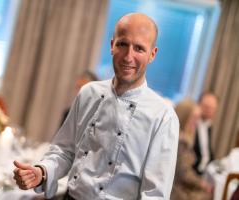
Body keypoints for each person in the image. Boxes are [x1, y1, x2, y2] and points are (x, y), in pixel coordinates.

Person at [13, 13, 179, 199]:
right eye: (122, 44)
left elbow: (154, 194)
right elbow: (64, 151)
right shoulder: (88, 93)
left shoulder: (163, 116)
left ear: (152, 55)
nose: (128, 56)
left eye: (139, 48)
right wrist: (42, 172)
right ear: (111, 46)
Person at [171, 99, 212, 200]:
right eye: (194, 118)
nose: (196, 122)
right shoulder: (181, 142)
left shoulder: (178, 136)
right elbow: (184, 175)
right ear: (185, 117)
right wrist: (202, 183)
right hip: (175, 190)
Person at [193, 92, 218, 175]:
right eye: (206, 107)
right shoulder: (191, 125)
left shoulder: (209, 126)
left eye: (212, 108)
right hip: (194, 172)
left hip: (205, 172)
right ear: (198, 105)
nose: (209, 110)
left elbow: (208, 152)